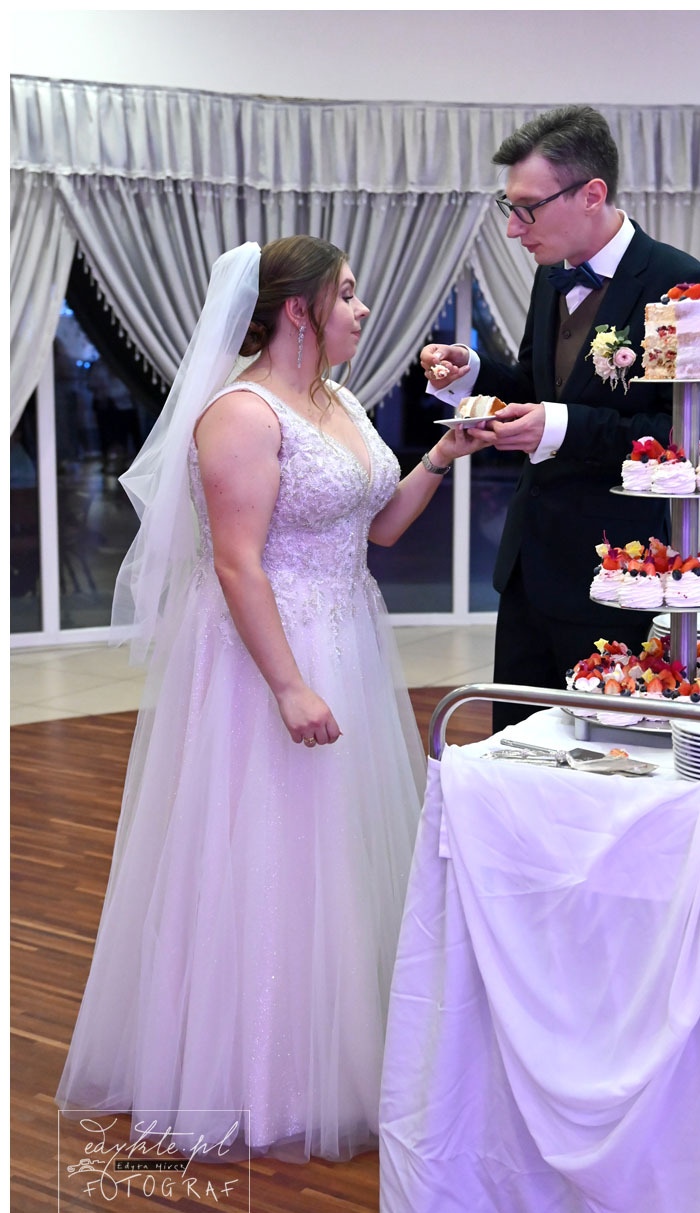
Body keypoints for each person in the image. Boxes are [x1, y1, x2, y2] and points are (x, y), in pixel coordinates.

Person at [55, 236, 489, 1162]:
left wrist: (442, 453)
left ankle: (346, 1051)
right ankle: (258, 1074)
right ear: (300, 309)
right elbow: (235, 562)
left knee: (341, 851)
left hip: (348, 636)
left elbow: (378, 528)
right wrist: (289, 685)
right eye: (348, 293)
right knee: (269, 850)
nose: (363, 310)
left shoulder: (336, 401)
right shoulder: (240, 413)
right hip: (267, 655)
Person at [421, 105, 700, 730]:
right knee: (515, 747)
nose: (515, 229)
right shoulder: (551, 278)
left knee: (604, 752)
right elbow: (536, 390)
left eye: (527, 208)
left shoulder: (685, 286)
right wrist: (472, 372)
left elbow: (697, 438)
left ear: (591, 194)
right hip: (527, 567)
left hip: (618, 573)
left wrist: (561, 429)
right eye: (509, 208)